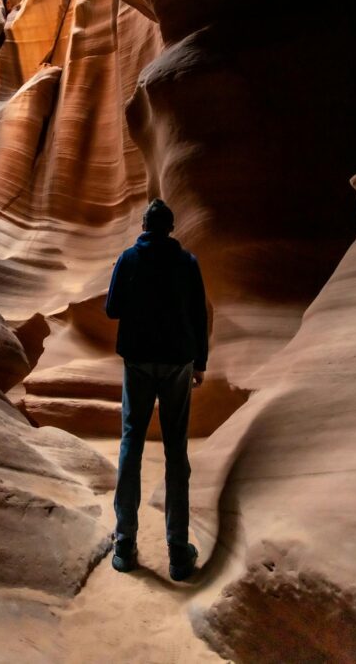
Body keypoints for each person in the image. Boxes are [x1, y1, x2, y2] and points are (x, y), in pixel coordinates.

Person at [105, 198, 208, 581]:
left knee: (131, 441)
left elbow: (112, 309)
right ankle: (178, 551)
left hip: (138, 361)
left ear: (145, 226)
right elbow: (200, 314)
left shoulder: (129, 259)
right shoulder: (188, 263)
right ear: (171, 227)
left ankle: (125, 542)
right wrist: (200, 363)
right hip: (178, 361)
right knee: (175, 448)